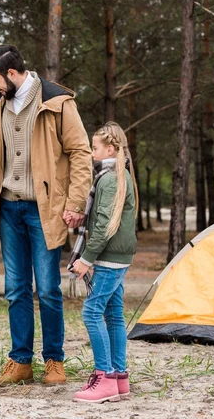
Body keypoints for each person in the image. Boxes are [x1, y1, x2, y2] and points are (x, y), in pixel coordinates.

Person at [0, 44, 92, 386]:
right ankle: (20, 361)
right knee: (15, 288)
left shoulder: (57, 101)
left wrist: (74, 202)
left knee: (49, 288)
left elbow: (81, 153)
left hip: (46, 210)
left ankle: (54, 360)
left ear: (11, 74)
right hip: (8, 207)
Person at [69, 121, 138, 404]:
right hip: (118, 256)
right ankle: (119, 378)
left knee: (92, 312)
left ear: (109, 149)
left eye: (94, 147)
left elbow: (104, 227)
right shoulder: (117, 176)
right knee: (112, 314)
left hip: (109, 257)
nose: (90, 150)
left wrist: (86, 259)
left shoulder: (109, 179)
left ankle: (105, 376)